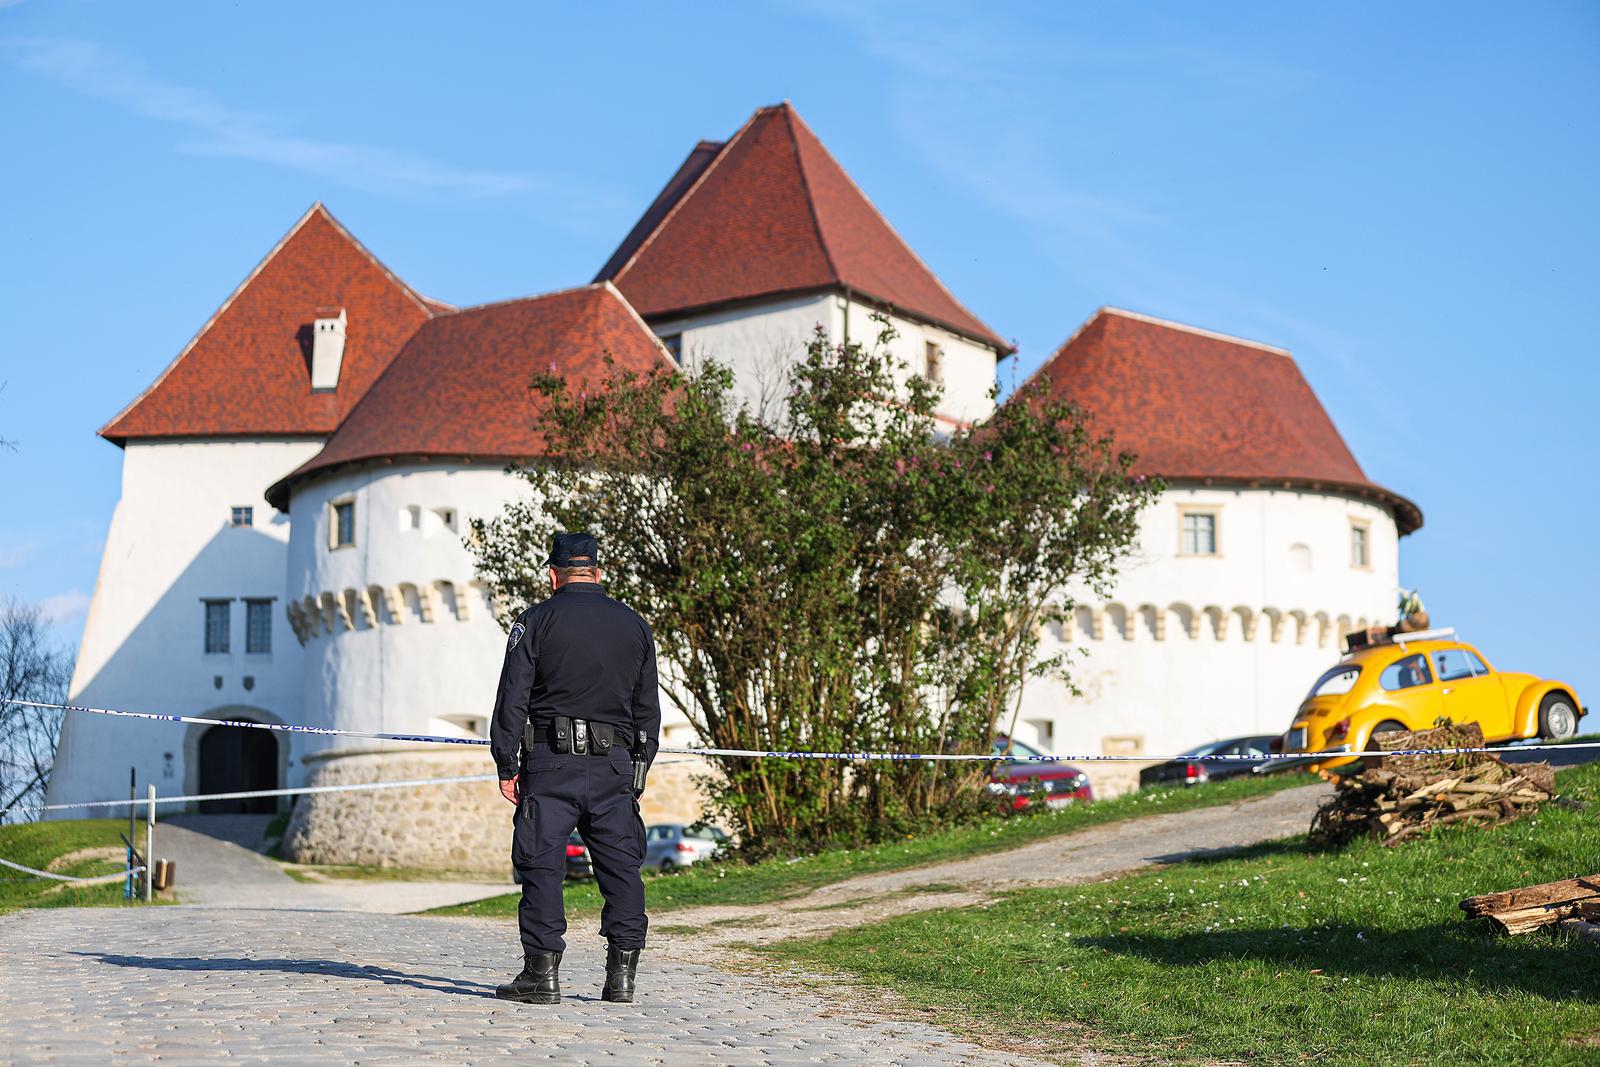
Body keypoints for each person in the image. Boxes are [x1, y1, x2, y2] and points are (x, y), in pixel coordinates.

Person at [489, 532, 660, 1004]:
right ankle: (621, 977)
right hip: (614, 766)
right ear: (598, 572)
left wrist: (506, 762)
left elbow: (512, 698)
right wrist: (639, 767)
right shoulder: (634, 625)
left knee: (541, 865)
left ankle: (541, 977)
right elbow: (647, 709)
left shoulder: (535, 621)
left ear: (553, 575)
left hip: (550, 762)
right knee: (622, 868)